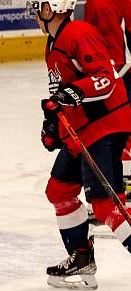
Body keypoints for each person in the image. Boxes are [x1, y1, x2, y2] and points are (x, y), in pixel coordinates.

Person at [28, 0, 131, 289]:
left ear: (50, 9)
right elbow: (63, 96)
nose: (35, 15)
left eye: (37, 8)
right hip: (82, 131)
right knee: (59, 190)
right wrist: (54, 125)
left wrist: (71, 93)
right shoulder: (53, 43)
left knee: (106, 207)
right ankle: (81, 258)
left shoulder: (79, 33)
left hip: (105, 126)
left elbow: (105, 80)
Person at [82, 0, 131, 209]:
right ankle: (118, 190)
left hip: (118, 77)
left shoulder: (100, 4)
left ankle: (115, 192)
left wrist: (106, 81)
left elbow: (121, 57)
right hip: (115, 76)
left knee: (113, 133)